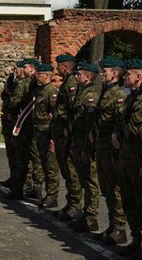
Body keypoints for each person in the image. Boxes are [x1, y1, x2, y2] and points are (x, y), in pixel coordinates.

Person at [112, 58, 142, 259]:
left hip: (140, 160)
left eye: (129, 74)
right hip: (127, 158)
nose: (125, 77)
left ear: (139, 76)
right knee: (130, 201)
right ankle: (137, 239)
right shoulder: (132, 98)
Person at [91, 56, 128, 245]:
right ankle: (113, 225)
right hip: (102, 147)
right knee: (107, 188)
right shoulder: (106, 92)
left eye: (104, 72)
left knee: (115, 190)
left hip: (111, 149)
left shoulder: (119, 95)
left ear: (114, 74)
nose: (101, 75)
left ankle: (120, 228)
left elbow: (120, 123)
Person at [67, 61, 100, 233]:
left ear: (88, 76)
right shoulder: (81, 93)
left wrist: (88, 148)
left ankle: (91, 217)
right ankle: (85, 214)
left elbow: (90, 125)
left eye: (79, 74)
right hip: (77, 143)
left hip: (86, 145)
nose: (76, 76)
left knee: (91, 182)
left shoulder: (90, 96)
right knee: (83, 180)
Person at [50, 54, 83, 221]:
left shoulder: (72, 84)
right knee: (66, 170)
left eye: (58, 67)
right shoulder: (66, 84)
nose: (56, 70)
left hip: (67, 134)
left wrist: (65, 128)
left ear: (65, 67)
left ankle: (76, 206)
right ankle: (71, 204)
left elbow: (71, 111)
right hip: (62, 133)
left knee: (71, 171)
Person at [5, 58, 39, 200]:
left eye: (24, 67)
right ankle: (33, 187)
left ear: (31, 69)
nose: (22, 70)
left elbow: (14, 101)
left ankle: (20, 187)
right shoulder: (39, 85)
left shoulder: (25, 84)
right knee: (34, 159)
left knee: (22, 158)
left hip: (24, 125)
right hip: (32, 126)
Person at [30, 63, 59, 208]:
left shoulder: (51, 92)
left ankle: (52, 196)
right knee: (41, 163)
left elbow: (55, 117)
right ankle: (44, 192)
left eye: (39, 74)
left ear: (46, 76)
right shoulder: (39, 90)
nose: (36, 76)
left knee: (50, 166)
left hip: (47, 133)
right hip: (39, 133)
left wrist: (53, 138)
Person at [0, 60, 25, 188]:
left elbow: (15, 101)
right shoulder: (14, 82)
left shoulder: (25, 84)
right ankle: (13, 177)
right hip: (9, 123)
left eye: (19, 69)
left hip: (18, 123)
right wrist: (10, 77)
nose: (17, 72)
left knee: (20, 155)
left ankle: (23, 182)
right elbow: (5, 95)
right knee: (11, 154)